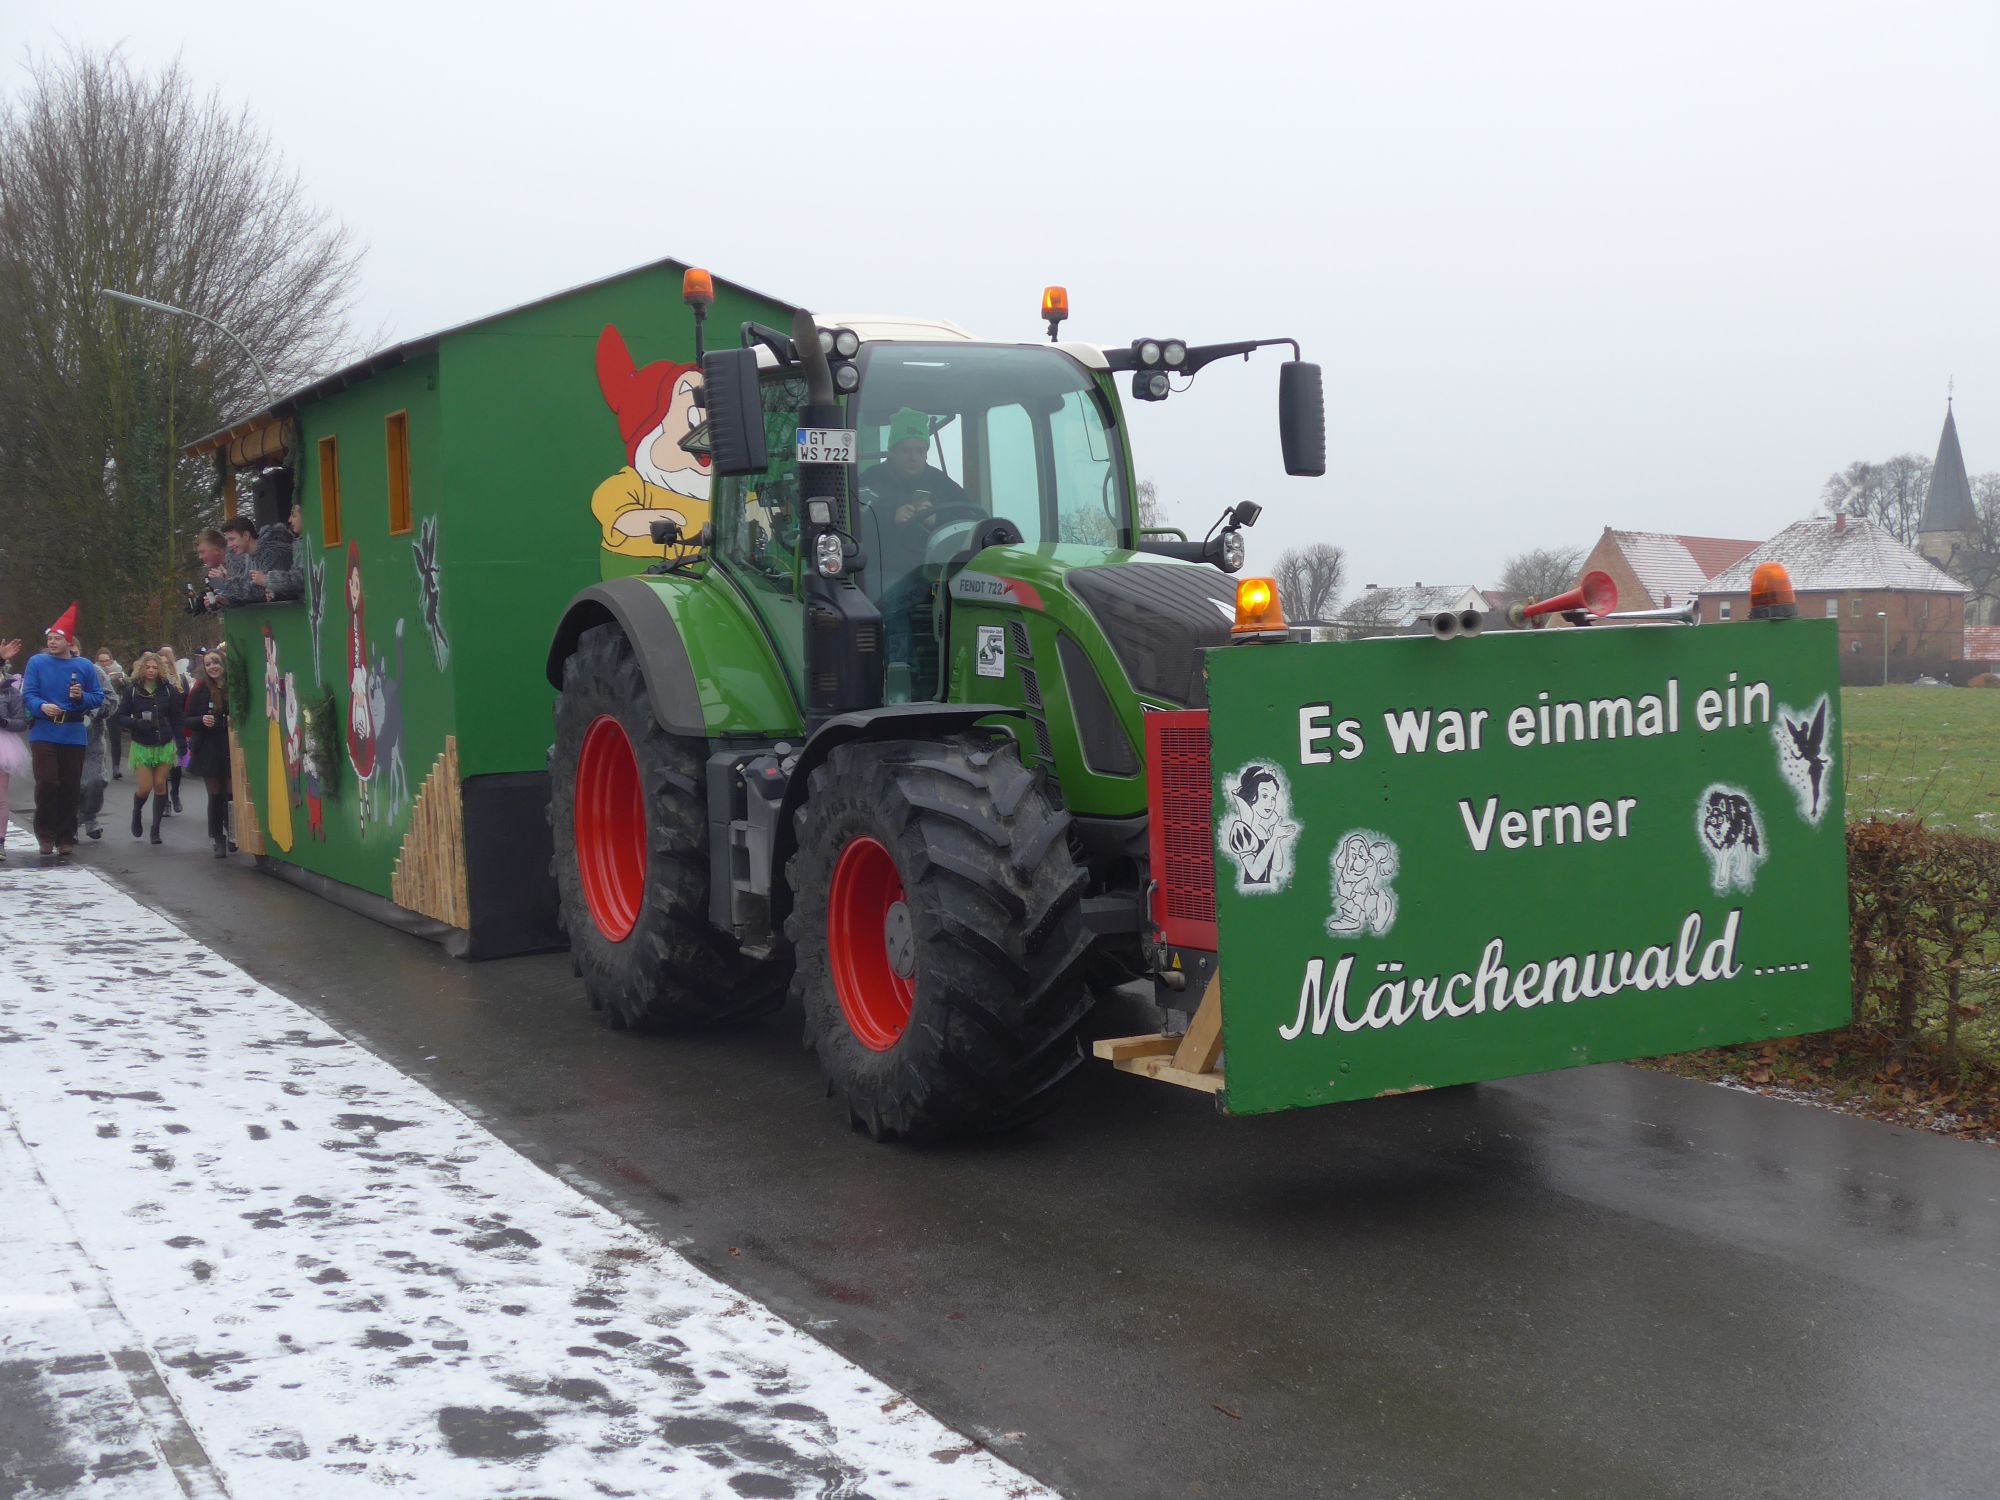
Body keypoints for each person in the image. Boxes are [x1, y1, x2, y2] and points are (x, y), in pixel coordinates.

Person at [860, 408, 970, 691]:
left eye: (920, 450)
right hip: (882, 569)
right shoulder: (870, 482)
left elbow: (970, 517)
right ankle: (902, 678)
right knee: (889, 600)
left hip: (933, 571)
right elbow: (852, 521)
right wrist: (890, 517)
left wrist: (937, 518)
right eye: (906, 450)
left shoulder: (943, 485)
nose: (913, 457)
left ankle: (960, 678)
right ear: (892, 451)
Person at [22, 604, 104, 863]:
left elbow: (98, 697)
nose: (52, 642)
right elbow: (29, 694)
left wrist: (81, 698)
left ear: (69, 641)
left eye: (57, 639)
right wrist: (41, 706)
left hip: (73, 732)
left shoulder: (84, 666)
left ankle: (66, 836)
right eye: (49, 639)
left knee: (70, 786)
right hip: (44, 730)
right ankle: (45, 833)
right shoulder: (37, 662)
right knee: (47, 782)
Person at [116, 652, 183, 845]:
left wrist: (181, 744)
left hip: (165, 743)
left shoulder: (168, 690)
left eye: (155, 667)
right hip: (142, 744)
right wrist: (136, 723)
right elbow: (120, 716)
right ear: (141, 669)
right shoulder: (132, 690)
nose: (151, 670)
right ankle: (137, 812)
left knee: (160, 785)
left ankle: (156, 829)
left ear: (160, 669)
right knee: (145, 788)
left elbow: (178, 718)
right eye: (148, 667)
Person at [184, 650, 234, 858]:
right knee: (215, 794)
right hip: (208, 747)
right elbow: (187, 719)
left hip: (231, 746)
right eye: (208, 664)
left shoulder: (234, 686)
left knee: (231, 795)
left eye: (216, 662)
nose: (212, 667)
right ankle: (218, 838)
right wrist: (201, 720)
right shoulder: (201, 689)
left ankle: (233, 832)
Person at [76, 653, 118, 840]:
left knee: (95, 781)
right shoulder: (53, 670)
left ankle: (89, 814)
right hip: (63, 737)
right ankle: (71, 822)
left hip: (92, 738)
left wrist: (91, 709)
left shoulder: (94, 671)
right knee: (70, 783)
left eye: (74, 651)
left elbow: (112, 700)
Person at [0, 638, 29, 861]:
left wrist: (5, 722)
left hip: (3, 744)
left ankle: (0, 842)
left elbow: (21, 722)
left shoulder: (11, 692)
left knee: (1, 796)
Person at [157, 643, 189, 812]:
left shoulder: (180, 680)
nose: (164, 666)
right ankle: (164, 802)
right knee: (161, 766)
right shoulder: (153, 682)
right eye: (161, 663)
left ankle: (175, 793)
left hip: (176, 726)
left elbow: (186, 704)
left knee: (175, 766)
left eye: (167, 662)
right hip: (160, 727)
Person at [258, 500, 305, 602]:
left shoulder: (304, 545)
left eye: (294, 516)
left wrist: (267, 580)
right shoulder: (297, 544)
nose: (289, 520)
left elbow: (302, 579)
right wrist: (276, 593)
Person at [94, 649, 129, 773]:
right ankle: (100, 767)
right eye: (101, 661)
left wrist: (122, 682)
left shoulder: (118, 669)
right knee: (98, 738)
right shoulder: (93, 671)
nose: (104, 664)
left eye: (106, 661)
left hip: (115, 706)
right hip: (98, 707)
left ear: (111, 660)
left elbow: (128, 687)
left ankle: (116, 767)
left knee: (115, 737)